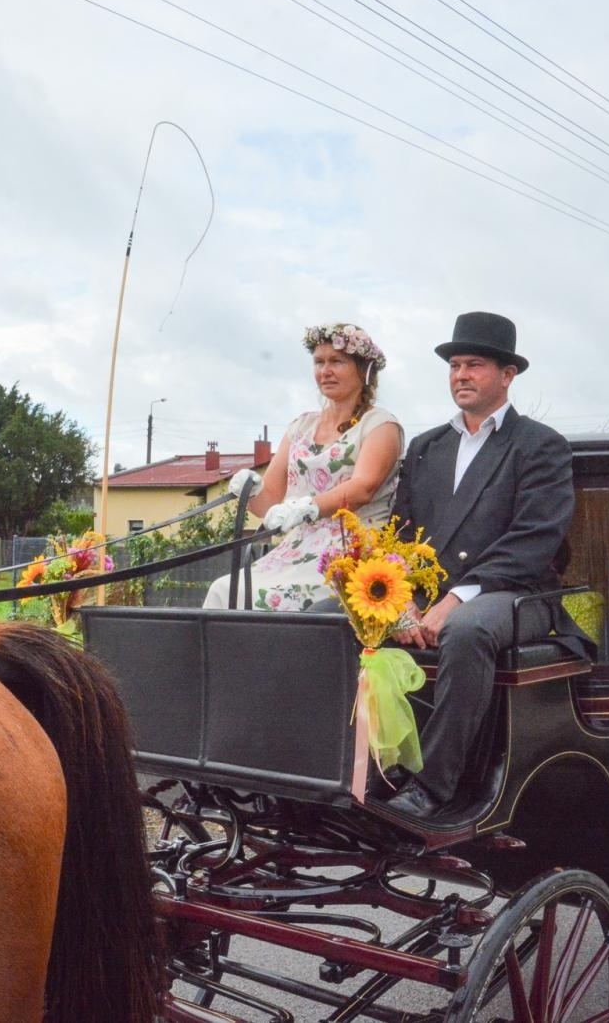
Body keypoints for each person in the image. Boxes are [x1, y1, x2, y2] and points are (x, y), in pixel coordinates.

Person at [387, 312, 576, 820]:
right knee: (329, 615)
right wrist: (399, 599)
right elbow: (401, 533)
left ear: (508, 374)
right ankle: (349, 766)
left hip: (518, 594)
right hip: (425, 594)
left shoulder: (540, 444)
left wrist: (454, 599)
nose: (460, 375)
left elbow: (533, 540)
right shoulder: (426, 447)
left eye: (474, 365)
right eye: (454, 365)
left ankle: (434, 786)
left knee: (467, 631)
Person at [203, 323, 402, 611]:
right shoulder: (300, 426)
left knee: (268, 599)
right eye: (319, 362)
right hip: (295, 549)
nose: (325, 371)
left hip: (349, 552)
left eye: (337, 361)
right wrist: (250, 488)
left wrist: (310, 507)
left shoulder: (380, 425)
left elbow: (363, 488)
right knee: (224, 589)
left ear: (364, 370)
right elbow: (268, 503)